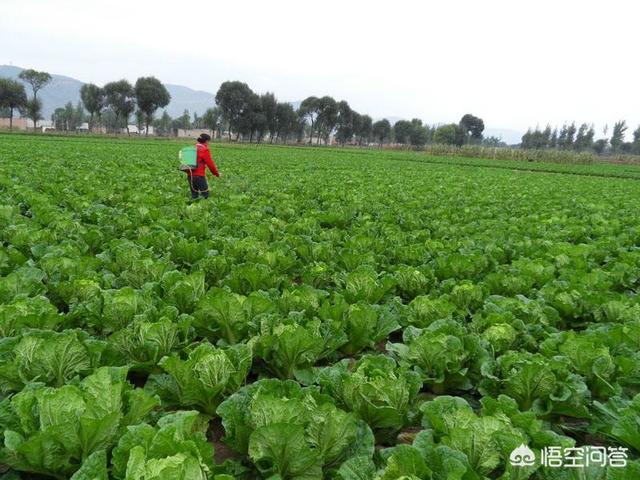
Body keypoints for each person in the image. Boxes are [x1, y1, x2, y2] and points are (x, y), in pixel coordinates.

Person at [187, 133, 221, 200]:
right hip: (199, 176)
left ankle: (192, 209)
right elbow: (210, 164)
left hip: (190, 175)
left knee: (194, 195)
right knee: (205, 195)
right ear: (206, 141)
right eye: (209, 141)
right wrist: (217, 174)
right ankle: (202, 208)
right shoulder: (204, 150)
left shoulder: (193, 147)